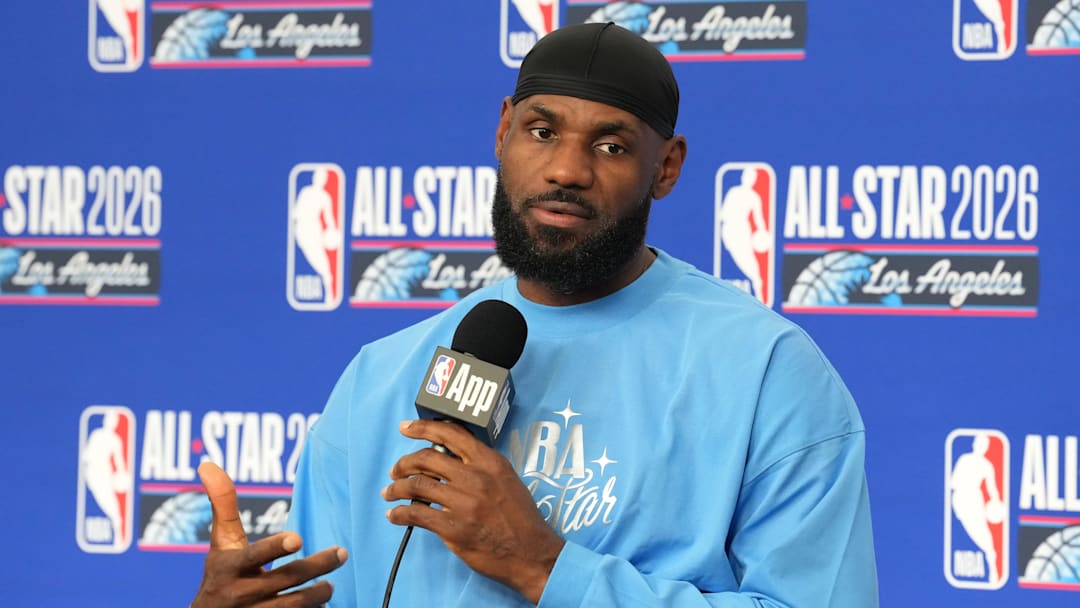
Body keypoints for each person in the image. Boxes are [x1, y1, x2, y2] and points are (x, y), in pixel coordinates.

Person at [191, 22, 879, 607]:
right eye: (542, 130)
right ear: (502, 131)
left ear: (666, 168)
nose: (566, 170)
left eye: (610, 146)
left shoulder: (766, 371)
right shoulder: (379, 376)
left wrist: (546, 568)